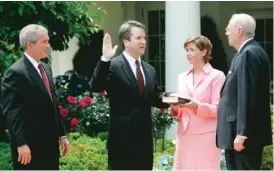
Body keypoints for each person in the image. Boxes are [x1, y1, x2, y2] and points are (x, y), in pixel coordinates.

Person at [89, 20, 169, 170]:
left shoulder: (149, 69)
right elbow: (95, 86)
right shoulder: (112, 65)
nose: (143, 41)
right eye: (138, 38)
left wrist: (173, 99)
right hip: (121, 141)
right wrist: (105, 59)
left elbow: (155, 97)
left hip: (144, 140)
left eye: (144, 38)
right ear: (126, 41)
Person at [1, 24, 69, 170]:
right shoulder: (15, 72)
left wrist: (62, 135)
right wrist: (21, 143)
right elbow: (12, 112)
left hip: (50, 148)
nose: (48, 45)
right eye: (44, 42)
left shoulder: (46, 68)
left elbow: (53, 103)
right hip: (29, 150)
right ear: (30, 44)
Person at [216, 13, 273, 170]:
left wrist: (242, 133)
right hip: (239, 134)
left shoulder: (248, 53)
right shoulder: (246, 52)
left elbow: (247, 96)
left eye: (229, 29)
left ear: (239, 30)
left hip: (243, 137)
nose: (226, 33)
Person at [170, 35, 225, 170]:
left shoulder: (217, 76)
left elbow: (219, 109)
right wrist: (175, 108)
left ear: (204, 52)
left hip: (206, 136)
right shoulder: (182, 77)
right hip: (185, 134)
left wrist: (197, 106)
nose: (188, 54)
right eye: (187, 50)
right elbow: (181, 111)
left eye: (192, 50)